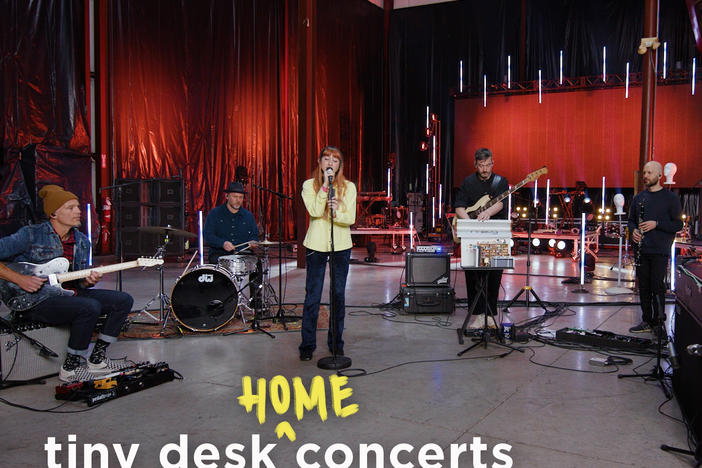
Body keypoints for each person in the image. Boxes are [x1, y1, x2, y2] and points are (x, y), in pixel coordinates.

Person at [0, 185, 133, 382]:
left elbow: (77, 284)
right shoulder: (30, 234)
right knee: (89, 307)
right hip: (33, 300)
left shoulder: (82, 241)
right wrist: (20, 279)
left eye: (77, 206)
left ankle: (97, 360)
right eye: (70, 207)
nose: (78, 211)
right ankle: (71, 367)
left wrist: (88, 282)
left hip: (65, 295)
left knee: (123, 300)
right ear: (53, 213)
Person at [299, 146, 357, 361]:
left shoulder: (349, 187)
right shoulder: (308, 185)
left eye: (335, 159)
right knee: (312, 296)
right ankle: (307, 345)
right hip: (316, 245)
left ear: (340, 165)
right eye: (327, 158)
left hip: (341, 246)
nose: (330, 162)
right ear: (320, 162)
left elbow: (349, 217)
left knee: (338, 295)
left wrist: (336, 211)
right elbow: (314, 212)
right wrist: (325, 185)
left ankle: (336, 342)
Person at [454, 148, 508, 329]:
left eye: (488, 165)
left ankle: (491, 315)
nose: (485, 169)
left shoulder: (501, 181)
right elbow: (459, 207)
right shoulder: (468, 182)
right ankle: (477, 315)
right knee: (473, 273)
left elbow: (500, 203)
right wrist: (469, 223)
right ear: (475, 165)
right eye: (481, 166)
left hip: (496, 233)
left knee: (494, 273)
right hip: (473, 234)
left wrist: (487, 212)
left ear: (493, 163)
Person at [628, 160, 682, 335]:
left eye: (649, 173)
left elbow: (677, 225)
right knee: (643, 286)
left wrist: (656, 224)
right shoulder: (639, 198)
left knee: (657, 286)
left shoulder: (671, 198)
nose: (645, 176)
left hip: (659, 250)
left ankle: (659, 322)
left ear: (659, 175)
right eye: (644, 172)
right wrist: (633, 230)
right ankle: (647, 320)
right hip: (642, 250)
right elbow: (631, 221)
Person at [203, 181, 261, 306]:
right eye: (235, 197)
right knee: (218, 273)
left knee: (258, 264)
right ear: (227, 196)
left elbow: (254, 236)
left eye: (240, 197)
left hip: (243, 253)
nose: (238, 200)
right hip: (219, 253)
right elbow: (208, 236)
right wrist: (222, 243)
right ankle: (221, 304)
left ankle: (256, 303)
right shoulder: (215, 214)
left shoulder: (248, 216)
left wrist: (253, 242)